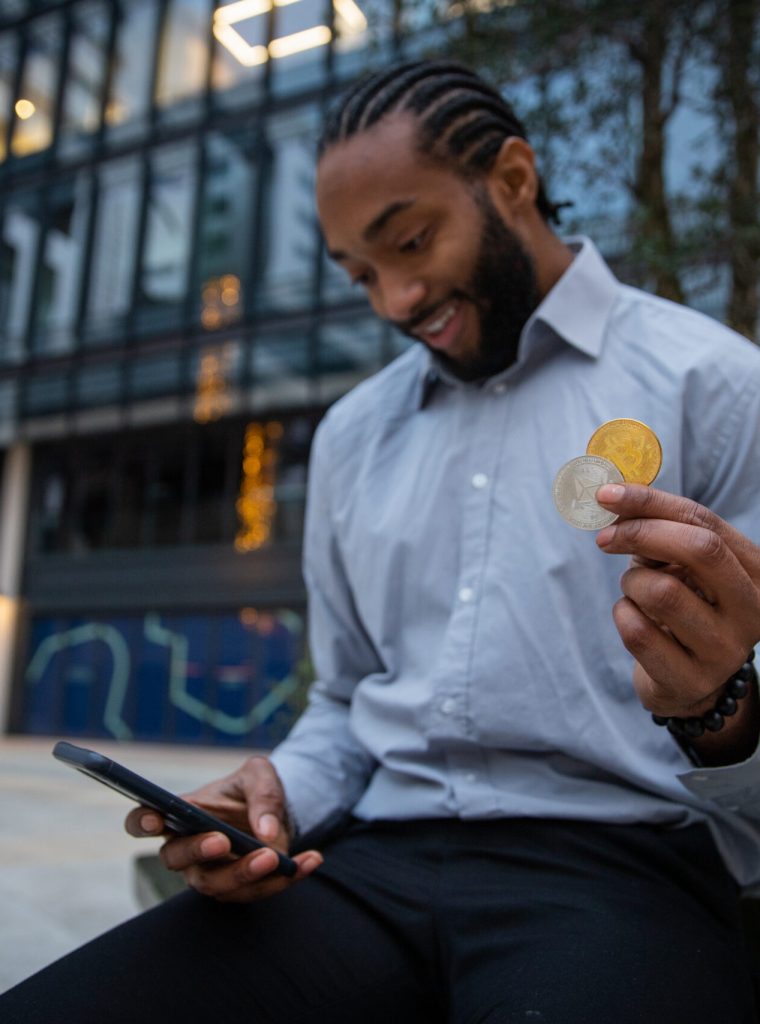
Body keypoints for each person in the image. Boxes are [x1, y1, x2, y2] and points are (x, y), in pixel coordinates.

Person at [3, 58, 760, 1023]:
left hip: (619, 869)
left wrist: (719, 705)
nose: (394, 301)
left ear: (515, 181)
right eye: (360, 274)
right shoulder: (353, 434)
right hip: (369, 863)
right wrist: (277, 791)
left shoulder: (718, 387)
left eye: (410, 242)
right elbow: (349, 701)